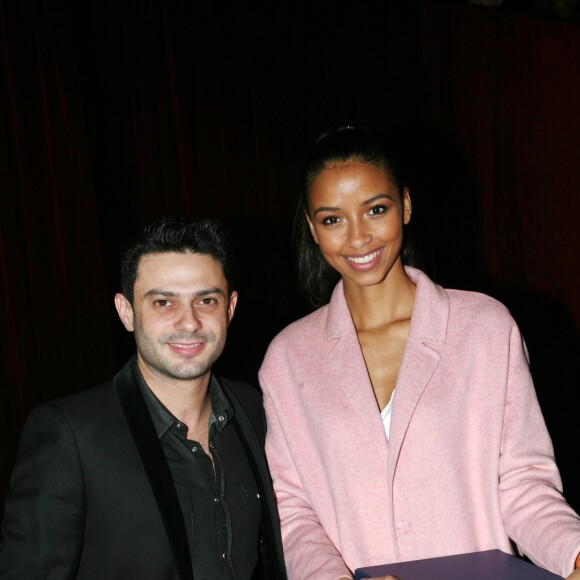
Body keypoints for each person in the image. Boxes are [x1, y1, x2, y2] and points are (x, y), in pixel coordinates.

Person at [258, 125, 580, 580]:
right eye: (332, 219)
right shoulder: (288, 360)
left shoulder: (485, 329)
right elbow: (293, 513)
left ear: (405, 205)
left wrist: (573, 553)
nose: (357, 238)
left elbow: (524, 485)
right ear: (312, 228)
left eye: (375, 209)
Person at [0, 216, 287, 580]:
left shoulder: (253, 408)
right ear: (126, 312)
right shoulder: (70, 435)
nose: (189, 322)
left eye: (206, 300)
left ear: (229, 309)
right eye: (164, 303)